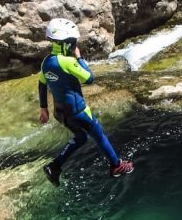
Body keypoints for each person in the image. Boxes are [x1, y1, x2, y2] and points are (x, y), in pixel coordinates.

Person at [38, 18, 134, 186]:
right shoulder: (68, 61)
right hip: (78, 111)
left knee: (81, 137)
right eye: (73, 42)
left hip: (60, 113)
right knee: (100, 136)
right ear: (66, 43)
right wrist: (79, 57)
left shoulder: (46, 62)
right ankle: (116, 166)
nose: (75, 45)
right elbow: (89, 78)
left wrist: (43, 108)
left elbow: (42, 83)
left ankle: (55, 166)